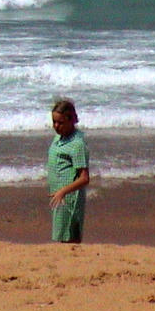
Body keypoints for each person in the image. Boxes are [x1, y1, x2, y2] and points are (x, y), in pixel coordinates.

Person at [47, 99, 90, 244]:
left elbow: (84, 178)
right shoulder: (59, 138)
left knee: (68, 236)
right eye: (54, 122)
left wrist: (63, 191)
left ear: (71, 121)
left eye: (60, 123)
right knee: (59, 234)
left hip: (70, 198)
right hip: (59, 196)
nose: (56, 126)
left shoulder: (76, 144)